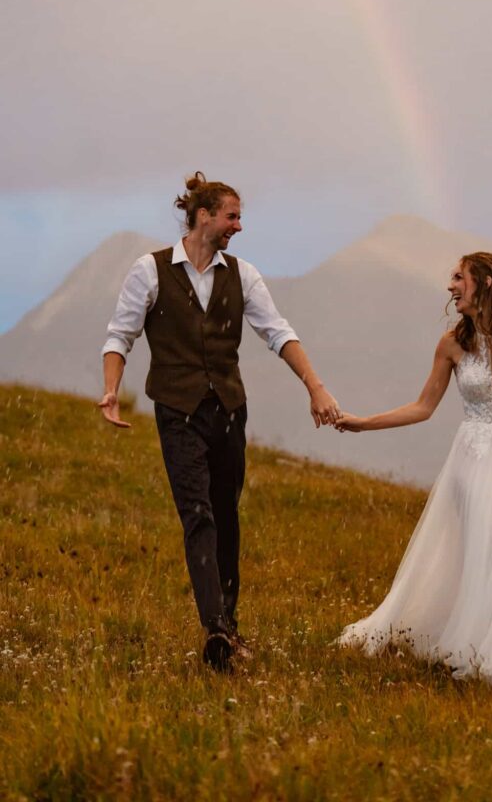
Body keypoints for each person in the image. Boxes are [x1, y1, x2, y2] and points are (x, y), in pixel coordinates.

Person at [99, 172, 340, 671]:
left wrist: (315, 386)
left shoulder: (244, 275)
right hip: (177, 412)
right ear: (203, 215)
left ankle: (228, 626)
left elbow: (278, 333)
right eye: (232, 215)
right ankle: (215, 630)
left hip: (228, 412)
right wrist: (111, 390)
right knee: (198, 515)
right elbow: (120, 335)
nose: (239, 225)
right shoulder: (149, 271)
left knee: (226, 514)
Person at [333, 251, 492, 693]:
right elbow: (423, 406)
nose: (451, 286)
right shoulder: (451, 344)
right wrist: (363, 423)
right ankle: (473, 641)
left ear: (486, 283)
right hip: (471, 457)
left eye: (458, 278)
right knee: (481, 546)